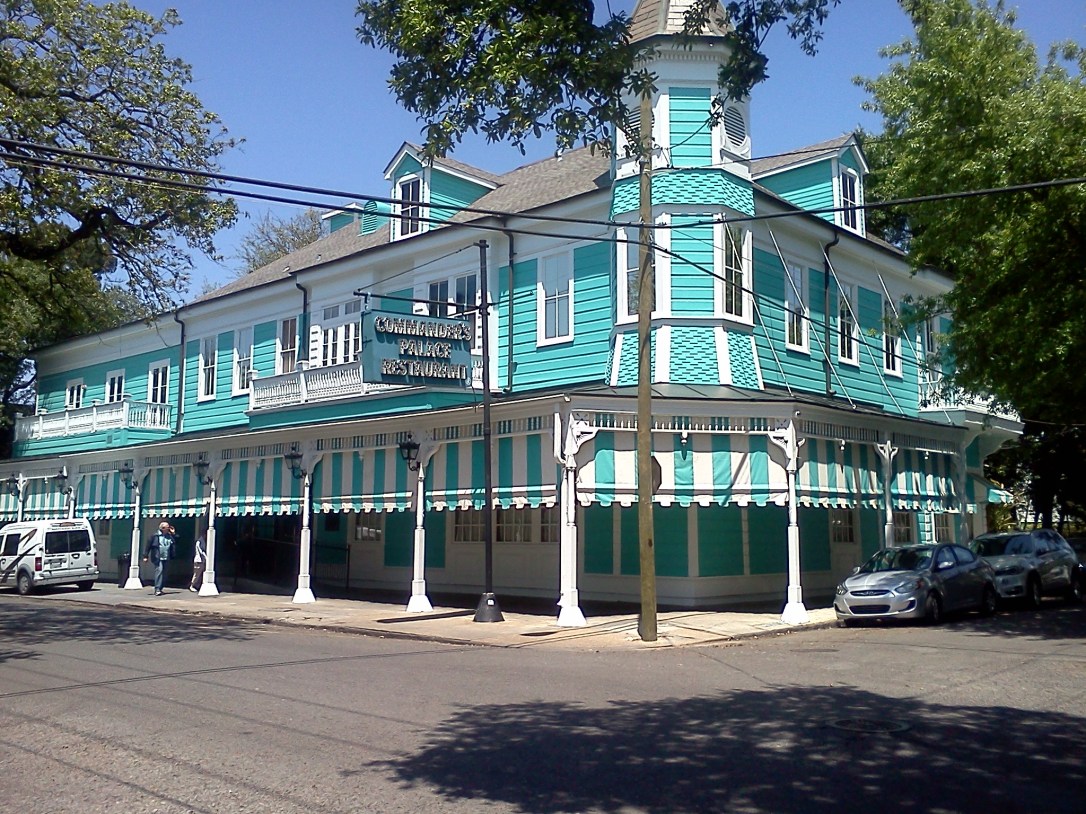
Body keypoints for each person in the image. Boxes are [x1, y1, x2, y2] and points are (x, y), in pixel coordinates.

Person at [143, 521, 176, 596]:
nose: (169, 529)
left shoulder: (169, 536)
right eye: (167, 527)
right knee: (159, 571)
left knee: (165, 573)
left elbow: (176, 541)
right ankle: (157, 589)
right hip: (158, 557)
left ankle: (160, 588)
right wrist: (145, 556)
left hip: (166, 557)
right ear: (162, 528)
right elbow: (148, 546)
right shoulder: (154, 536)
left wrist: (173, 533)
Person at [190, 528, 207, 592]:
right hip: (199, 560)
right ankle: (192, 585)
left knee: (200, 574)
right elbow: (201, 551)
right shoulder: (199, 542)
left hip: (202, 560)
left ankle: (197, 585)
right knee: (197, 574)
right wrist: (206, 557)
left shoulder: (203, 541)